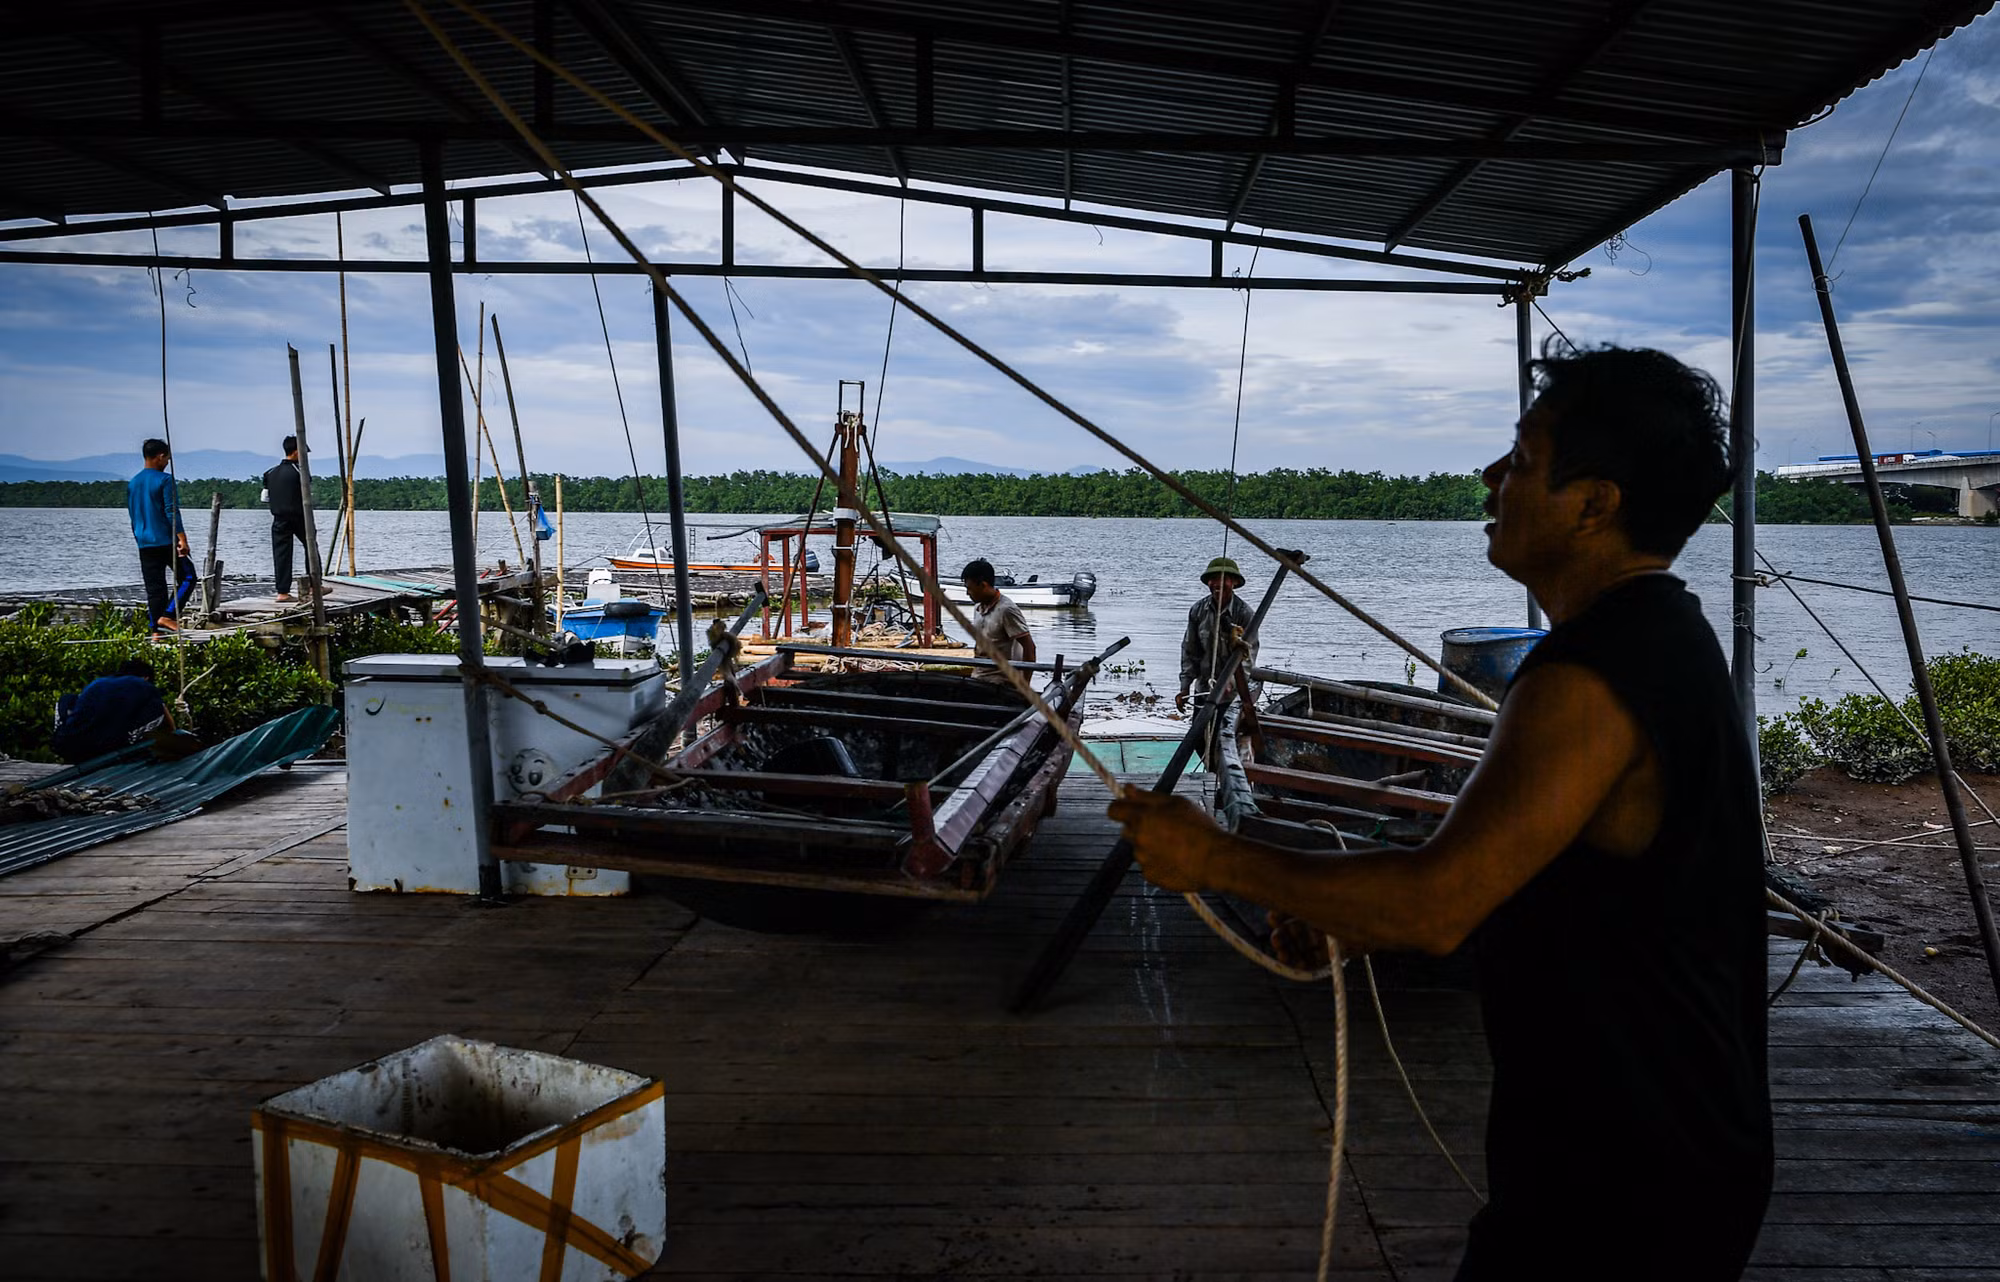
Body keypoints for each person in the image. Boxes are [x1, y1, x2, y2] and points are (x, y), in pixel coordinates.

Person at [1111, 344, 1771, 1280]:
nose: (1492, 476)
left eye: (1524, 459)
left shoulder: (1589, 677)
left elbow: (1436, 904)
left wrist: (1215, 858)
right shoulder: (1661, 639)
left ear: (1595, 504)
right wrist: (1351, 917)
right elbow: (1551, 882)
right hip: (1653, 1144)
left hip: (1628, 1174)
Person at [1175, 556, 1258, 714]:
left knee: (1225, 728)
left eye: (1223, 579)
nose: (1217, 584)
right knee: (1200, 729)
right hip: (1203, 690)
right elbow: (1190, 651)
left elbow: (1248, 659)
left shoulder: (1244, 614)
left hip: (1231, 696)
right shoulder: (1198, 610)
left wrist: (1230, 683)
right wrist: (1184, 688)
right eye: (1213, 579)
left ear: (1234, 583)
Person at [51, 659, 173, 764]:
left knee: (68, 699)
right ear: (146, 677)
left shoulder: (98, 683)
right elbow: (165, 718)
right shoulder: (144, 686)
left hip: (69, 744)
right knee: (155, 709)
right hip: (108, 749)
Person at [127, 438, 189, 633]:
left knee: (155, 589)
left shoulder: (133, 482)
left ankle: (156, 632)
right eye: (167, 458)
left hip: (144, 541)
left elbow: (133, 514)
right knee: (188, 577)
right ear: (160, 457)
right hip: (164, 540)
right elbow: (172, 511)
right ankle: (168, 616)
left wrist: (138, 537)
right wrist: (182, 539)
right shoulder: (165, 480)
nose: (168, 462)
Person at [960, 558, 1035, 676]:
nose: (967, 593)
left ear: (983, 585)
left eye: (969, 588)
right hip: (979, 676)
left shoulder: (1007, 610)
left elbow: (1029, 648)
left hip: (1001, 680)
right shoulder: (978, 608)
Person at [264, 435, 310, 603]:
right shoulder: (299, 471)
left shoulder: (270, 473)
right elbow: (306, 494)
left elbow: (265, 497)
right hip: (298, 516)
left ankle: (282, 592)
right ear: (296, 452)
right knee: (311, 547)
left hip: (278, 518)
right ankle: (314, 585)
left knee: (281, 554)